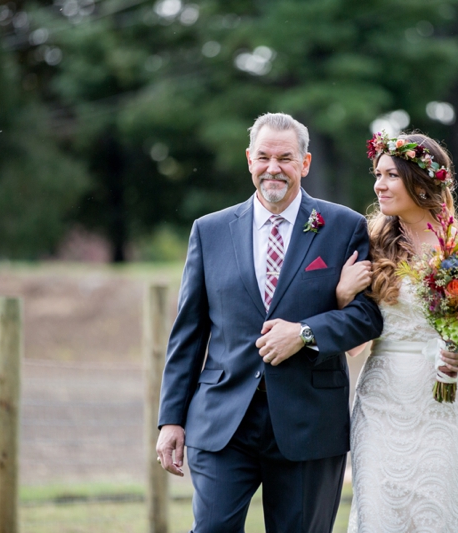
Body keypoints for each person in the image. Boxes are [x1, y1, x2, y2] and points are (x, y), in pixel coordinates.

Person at [155, 112, 383, 533]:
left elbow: (368, 316)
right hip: (223, 419)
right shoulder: (210, 231)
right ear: (248, 160)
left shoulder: (344, 226)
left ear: (305, 163)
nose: (273, 168)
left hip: (308, 421)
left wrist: (305, 333)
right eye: (263, 157)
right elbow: (188, 333)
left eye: (285, 158)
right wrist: (171, 418)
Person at [336, 133, 458, 532]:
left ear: (421, 181)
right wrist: (342, 296)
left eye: (391, 175)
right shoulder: (369, 244)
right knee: (379, 514)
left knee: (440, 515)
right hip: (382, 406)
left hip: (447, 404)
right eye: (378, 174)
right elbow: (355, 347)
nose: (379, 184)